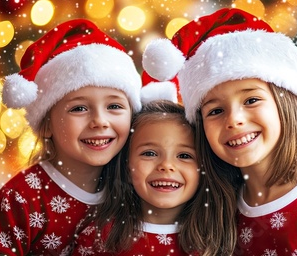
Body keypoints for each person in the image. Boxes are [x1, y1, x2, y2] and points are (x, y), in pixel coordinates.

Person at [142, 8, 297, 256]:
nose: (234, 120)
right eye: (215, 111)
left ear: (285, 103)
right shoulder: (219, 209)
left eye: (251, 100)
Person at [0, 19, 142, 255]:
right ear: (46, 125)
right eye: (79, 108)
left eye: (114, 106)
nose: (100, 121)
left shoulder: (134, 186)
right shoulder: (22, 196)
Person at [72, 98, 238, 256]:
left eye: (184, 156)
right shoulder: (100, 237)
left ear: (203, 170)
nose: (166, 165)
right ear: (127, 168)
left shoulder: (217, 237)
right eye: (149, 153)